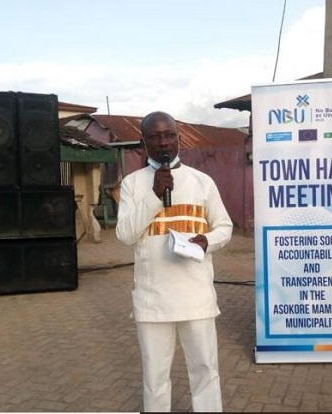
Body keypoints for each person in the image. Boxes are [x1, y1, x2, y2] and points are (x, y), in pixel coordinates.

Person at [115, 111, 233, 412]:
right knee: (155, 378)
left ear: (178, 138)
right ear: (144, 142)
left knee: (205, 371)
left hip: (196, 297)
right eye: (154, 137)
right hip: (152, 300)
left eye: (169, 135)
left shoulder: (201, 181)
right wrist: (155, 195)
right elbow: (126, 235)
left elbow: (224, 227)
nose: (163, 142)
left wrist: (207, 241)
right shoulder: (132, 184)